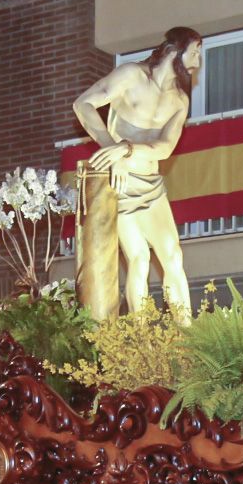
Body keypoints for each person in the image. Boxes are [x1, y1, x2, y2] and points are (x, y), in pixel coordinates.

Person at [74, 27, 202, 320]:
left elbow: (166, 147)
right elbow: (83, 104)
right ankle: (141, 341)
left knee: (173, 256)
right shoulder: (131, 76)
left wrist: (128, 149)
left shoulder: (180, 100)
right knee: (139, 258)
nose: (197, 58)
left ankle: (189, 334)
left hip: (150, 182)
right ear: (174, 50)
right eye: (194, 50)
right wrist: (112, 147)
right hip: (122, 181)